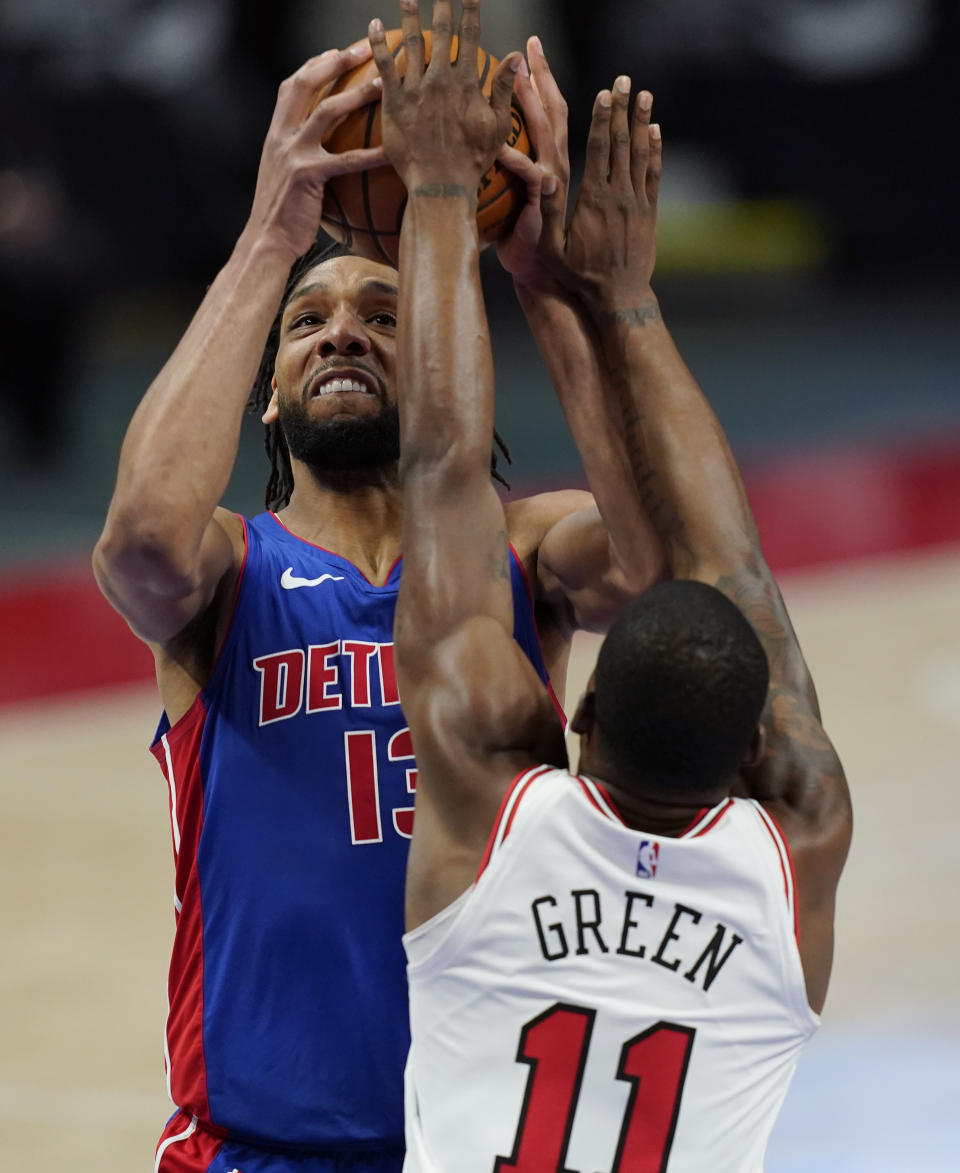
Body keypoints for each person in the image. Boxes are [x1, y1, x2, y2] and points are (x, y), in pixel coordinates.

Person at [91, 11, 665, 1171]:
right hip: (261, 1147)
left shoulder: (521, 553)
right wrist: (271, 235)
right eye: (309, 323)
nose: (341, 334)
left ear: (441, 360)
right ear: (265, 397)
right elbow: (139, 543)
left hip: (489, 1142)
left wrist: (553, 291)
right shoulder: (229, 568)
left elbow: (663, 576)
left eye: (385, 317)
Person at [372, 2, 852, 1169]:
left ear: (574, 710)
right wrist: (614, 302)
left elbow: (440, 478)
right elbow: (733, 573)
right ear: (755, 747)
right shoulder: (795, 847)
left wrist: (440, 194)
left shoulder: (496, 816)